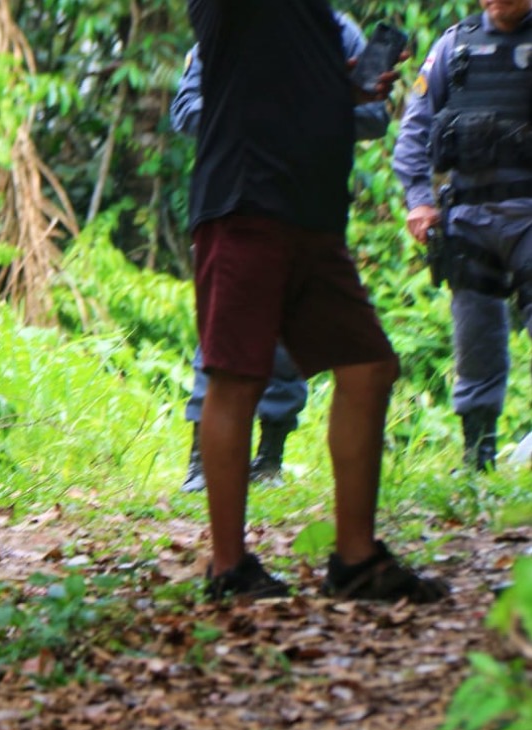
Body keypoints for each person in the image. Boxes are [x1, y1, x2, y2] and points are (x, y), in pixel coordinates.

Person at [186, 0, 448, 603]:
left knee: (369, 366)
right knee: (236, 377)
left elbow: (289, 85)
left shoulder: (319, 19)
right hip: (246, 201)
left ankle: (356, 560)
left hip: (313, 216)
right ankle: (228, 568)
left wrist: (348, 89)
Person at [171, 13, 390, 492]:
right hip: (237, 198)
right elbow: (185, 109)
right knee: (223, 343)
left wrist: (316, 103)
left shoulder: (338, 30)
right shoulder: (234, 23)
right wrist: (265, 108)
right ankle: (201, 466)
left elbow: (375, 116)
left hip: (310, 205)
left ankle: (271, 458)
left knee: (296, 346)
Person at [392, 0, 532, 471]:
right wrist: (419, 200)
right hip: (469, 216)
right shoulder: (455, 44)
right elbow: (416, 126)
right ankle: (478, 453)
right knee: (475, 338)